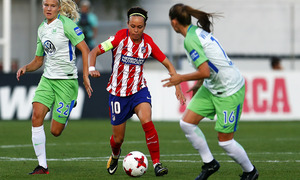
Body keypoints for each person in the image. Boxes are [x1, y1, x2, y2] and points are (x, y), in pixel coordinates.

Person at [162, 3, 259, 180]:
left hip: (229, 90)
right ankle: (210, 163)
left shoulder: (190, 40)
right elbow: (207, 68)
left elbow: (205, 71)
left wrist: (180, 78)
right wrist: (199, 84)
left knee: (226, 142)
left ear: (174, 22)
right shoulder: (195, 33)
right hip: (211, 87)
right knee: (186, 123)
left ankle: (250, 172)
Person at [89, 7, 185, 177]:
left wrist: (177, 84)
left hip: (138, 90)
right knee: (118, 139)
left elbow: (168, 64)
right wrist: (91, 68)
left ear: (144, 27)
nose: (135, 30)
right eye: (132, 26)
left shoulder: (148, 43)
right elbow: (94, 51)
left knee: (147, 122)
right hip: (118, 94)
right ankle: (115, 155)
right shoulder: (119, 38)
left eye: (139, 27)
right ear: (128, 24)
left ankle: (157, 164)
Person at [16, 0, 92, 175]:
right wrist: (26, 68)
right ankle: (42, 166)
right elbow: (38, 61)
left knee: (55, 131)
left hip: (66, 82)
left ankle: (68, 107)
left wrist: (86, 76)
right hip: (48, 80)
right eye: (45, 5)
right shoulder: (41, 29)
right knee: (36, 115)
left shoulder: (67, 24)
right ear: (42, 6)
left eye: (52, 5)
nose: (48, 8)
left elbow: (86, 50)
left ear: (59, 7)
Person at [76, 0, 98, 71]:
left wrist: (93, 37)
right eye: (83, 7)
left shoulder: (92, 17)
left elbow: (95, 28)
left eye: (85, 7)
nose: (84, 9)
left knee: (89, 59)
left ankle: (90, 72)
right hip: (79, 41)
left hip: (89, 41)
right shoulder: (77, 16)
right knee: (76, 59)